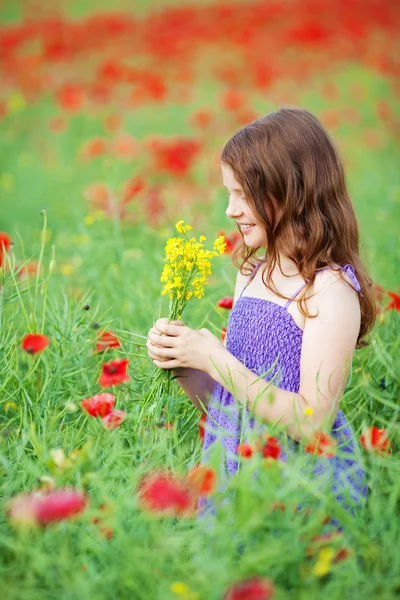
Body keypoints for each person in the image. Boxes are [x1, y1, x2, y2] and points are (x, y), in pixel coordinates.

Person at [146, 106, 377, 526]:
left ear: (292, 192)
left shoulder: (330, 291)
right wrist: (184, 362)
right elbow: (230, 406)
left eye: (243, 194)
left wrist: (215, 357)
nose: (230, 210)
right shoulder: (253, 274)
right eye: (227, 193)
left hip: (297, 491)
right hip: (234, 476)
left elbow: (312, 424)